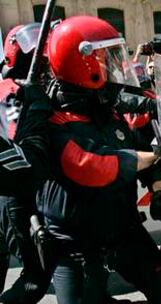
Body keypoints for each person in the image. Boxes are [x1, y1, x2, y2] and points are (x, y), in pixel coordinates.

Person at [37, 16, 161, 303]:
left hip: (122, 228)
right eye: (108, 57)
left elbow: (141, 149)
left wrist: (159, 187)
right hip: (75, 242)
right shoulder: (56, 121)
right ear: (85, 63)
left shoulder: (109, 111)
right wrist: (147, 158)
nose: (116, 64)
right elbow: (89, 166)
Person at [0, 23, 54, 304]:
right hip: (16, 191)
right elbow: (22, 149)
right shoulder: (16, 92)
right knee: (36, 275)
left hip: (10, 185)